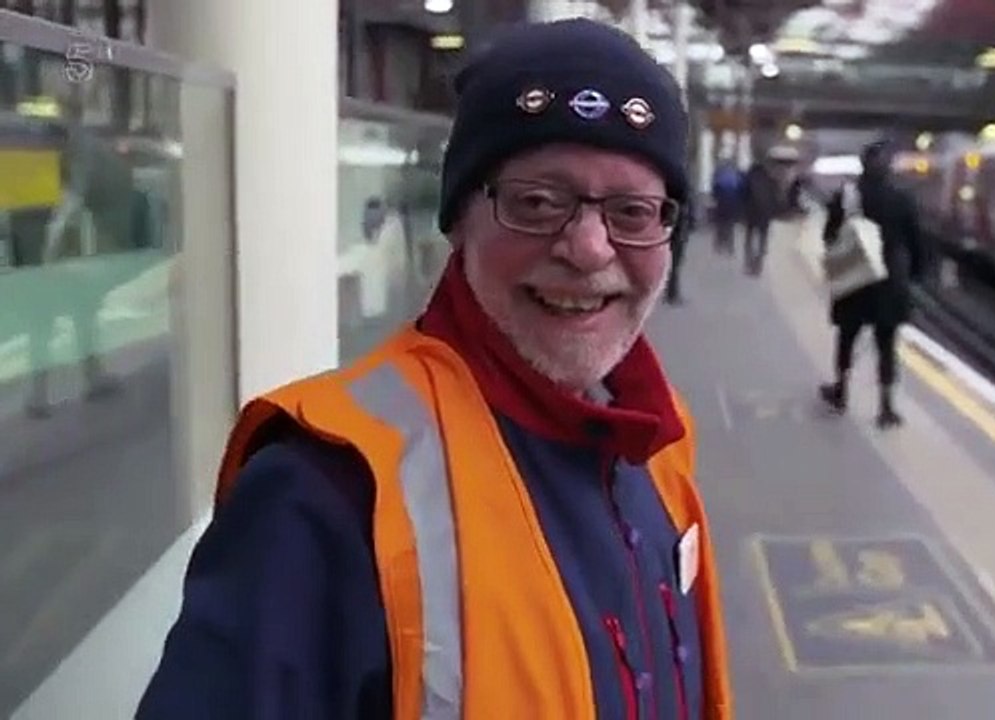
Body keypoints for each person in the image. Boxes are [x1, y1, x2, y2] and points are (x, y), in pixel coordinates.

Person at [138, 18, 732, 720]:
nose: (589, 248)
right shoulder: (324, 494)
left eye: (632, 212)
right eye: (537, 202)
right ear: (459, 221)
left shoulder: (656, 445)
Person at [818, 141, 925, 428]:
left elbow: (829, 236)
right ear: (888, 167)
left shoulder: (846, 196)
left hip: (854, 277)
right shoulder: (902, 198)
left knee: (847, 337)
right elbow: (916, 242)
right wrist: (916, 275)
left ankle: (840, 390)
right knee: (886, 344)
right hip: (889, 282)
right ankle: (886, 406)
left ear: (863, 165)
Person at [741, 159, 779, 276]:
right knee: (762, 237)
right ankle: (759, 262)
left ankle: (748, 262)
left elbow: (743, 195)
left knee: (749, 237)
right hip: (765, 213)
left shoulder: (748, 178)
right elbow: (775, 196)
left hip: (751, 212)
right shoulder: (770, 179)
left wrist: (741, 213)